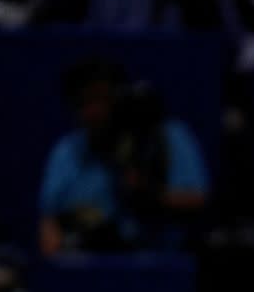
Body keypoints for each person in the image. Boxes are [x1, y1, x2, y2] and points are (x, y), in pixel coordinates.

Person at [39, 57, 208, 254]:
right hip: (91, 264)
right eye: (84, 102)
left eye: (102, 99)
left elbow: (197, 200)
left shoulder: (166, 137)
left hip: (159, 262)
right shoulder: (66, 151)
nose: (95, 111)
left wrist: (150, 194)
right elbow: (49, 222)